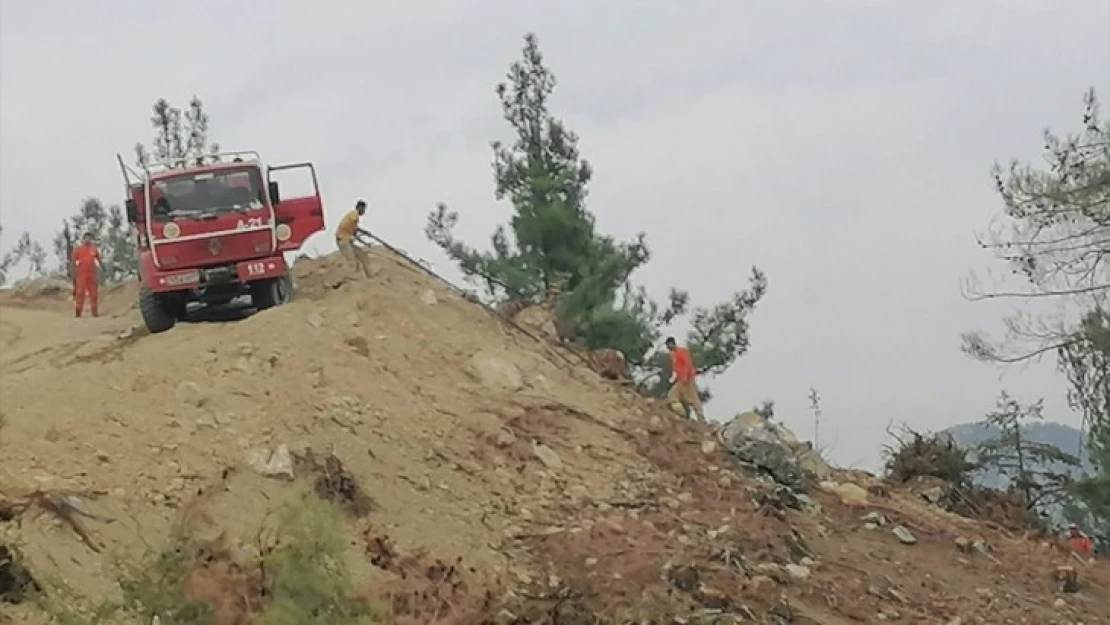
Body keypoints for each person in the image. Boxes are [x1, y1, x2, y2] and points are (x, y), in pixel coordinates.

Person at [665, 337, 706, 422]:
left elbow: (688, 364)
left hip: (688, 379)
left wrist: (685, 376)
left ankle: (701, 418)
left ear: (672, 344)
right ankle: (682, 415)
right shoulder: (673, 355)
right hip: (680, 380)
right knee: (672, 395)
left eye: (668, 345)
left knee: (693, 398)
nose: (668, 347)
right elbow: (676, 367)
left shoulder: (682, 351)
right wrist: (674, 376)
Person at [335, 199, 372, 277]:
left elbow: (354, 231)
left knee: (362, 255)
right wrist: (364, 234)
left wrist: (365, 238)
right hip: (343, 240)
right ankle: (350, 278)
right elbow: (355, 230)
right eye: (363, 208)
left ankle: (369, 276)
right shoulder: (354, 214)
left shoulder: (353, 219)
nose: (363, 211)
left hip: (347, 240)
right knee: (352, 261)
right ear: (358, 207)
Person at [71, 232, 103, 318]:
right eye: (86, 238)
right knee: (80, 292)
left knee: (94, 293)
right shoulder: (78, 249)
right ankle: (78, 311)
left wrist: (103, 267)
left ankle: (94, 312)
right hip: (81, 274)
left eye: (89, 238)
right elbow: (73, 262)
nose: (87, 240)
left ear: (91, 239)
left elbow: (98, 259)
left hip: (92, 273)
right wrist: (73, 273)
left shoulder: (94, 249)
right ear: (83, 239)